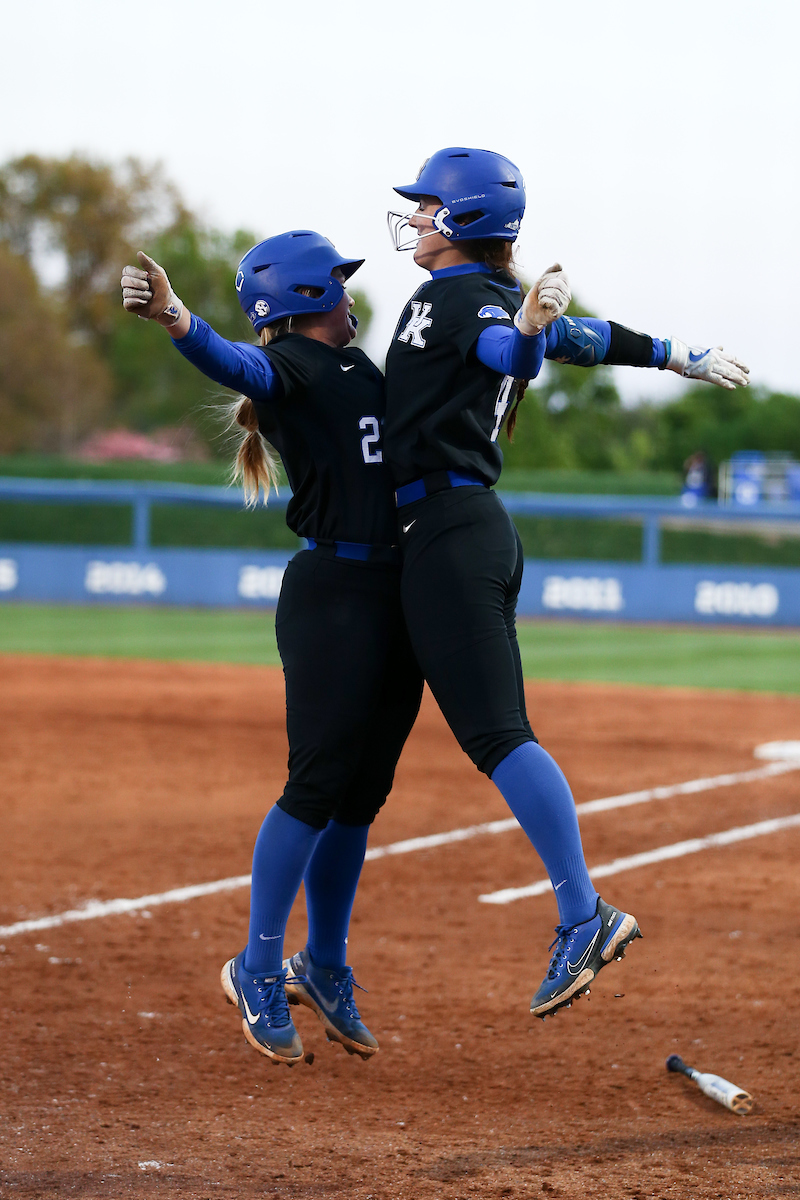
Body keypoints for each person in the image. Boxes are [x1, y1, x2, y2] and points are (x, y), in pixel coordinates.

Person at [384, 147, 750, 1019]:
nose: (417, 217)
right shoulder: (472, 293)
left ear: (467, 218)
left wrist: (527, 333)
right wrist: (675, 353)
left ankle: (584, 915)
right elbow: (571, 339)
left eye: (430, 205)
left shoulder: (468, 299)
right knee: (405, 736)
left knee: (500, 736)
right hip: (453, 531)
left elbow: (512, 351)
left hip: (450, 532)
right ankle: (324, 955)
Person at [121, 232, 423, 1064]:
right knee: (316, 785)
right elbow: (236, 365)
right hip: (334, 597)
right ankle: (256, 966)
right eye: (337, 283)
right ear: (302, 296)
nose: (350, 293)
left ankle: (322, 964)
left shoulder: (356, 366)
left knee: (360, 797)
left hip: (392, 593)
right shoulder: (291, 366)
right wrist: (177, 318)